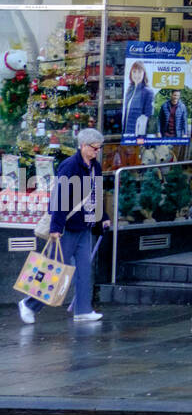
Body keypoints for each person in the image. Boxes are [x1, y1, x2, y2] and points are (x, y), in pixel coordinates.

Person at [18, 127, 111, 324]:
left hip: (84, 226)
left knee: (85, 269)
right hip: (67, 227)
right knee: (54, 270)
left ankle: (83, 310)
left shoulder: (95, 167)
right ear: (83, 146)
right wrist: (56, 228)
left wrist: (104, 217)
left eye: (99, 148)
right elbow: (59, 198)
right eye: (95, 148)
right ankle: (28, 304)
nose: (97, 151)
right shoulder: (69, 166)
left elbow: (97, 194)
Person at [122, 61, 154, 141]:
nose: (136, 75)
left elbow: (148, 116)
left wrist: (141, 137)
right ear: (131, 73)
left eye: (140, 72)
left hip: (138, 136)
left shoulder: (147, 92)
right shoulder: (129, 90)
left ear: (144, 74)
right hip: (127, 134)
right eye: (134, 72)